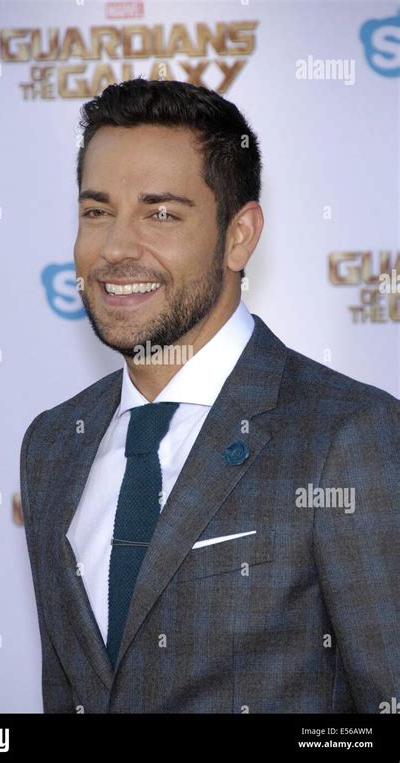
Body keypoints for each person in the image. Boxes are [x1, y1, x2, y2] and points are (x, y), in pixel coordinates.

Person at [20, 78, 399, 714]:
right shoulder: (53, 444)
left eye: (161, 213)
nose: (115, 247)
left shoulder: (349, 435)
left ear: (239, 235)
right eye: (96, 211)